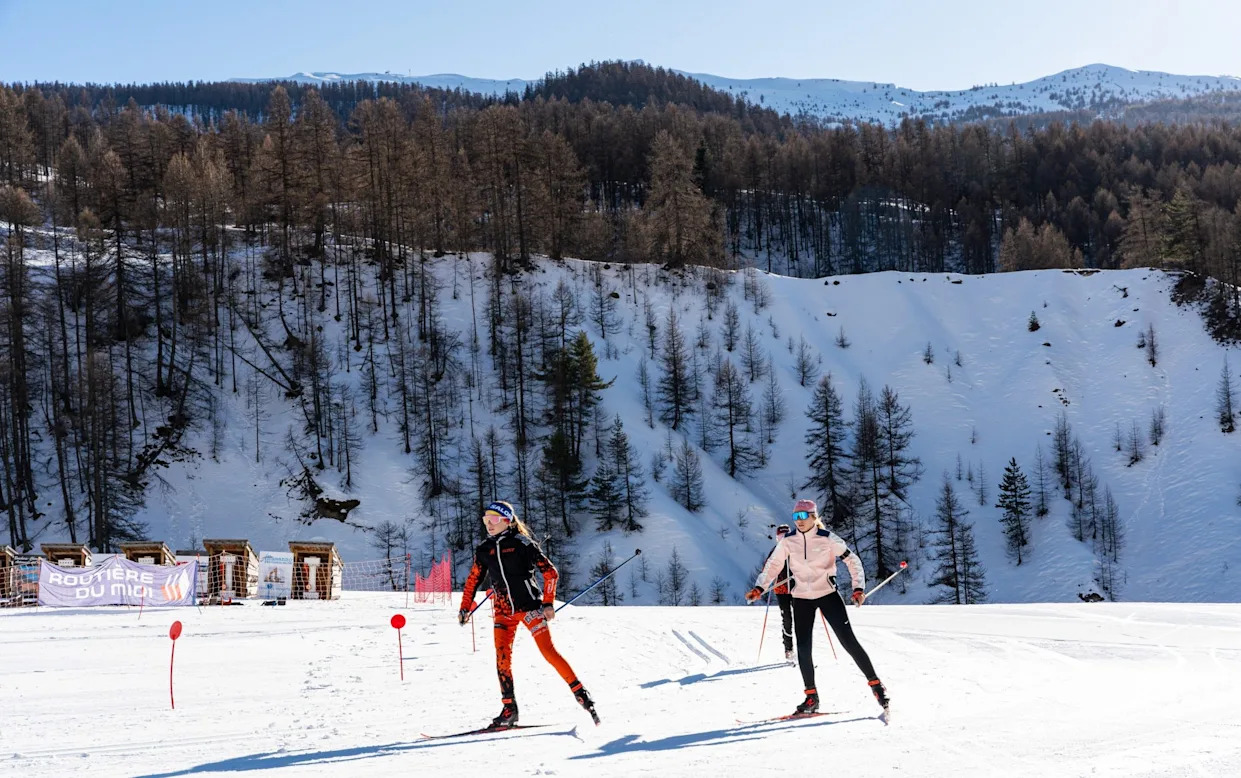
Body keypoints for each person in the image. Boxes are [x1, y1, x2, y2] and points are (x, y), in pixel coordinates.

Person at [458, 500, 598, 728]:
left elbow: (550, 573)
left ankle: (581, 693)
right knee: (502, 659)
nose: (489, 524)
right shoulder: (485, 549)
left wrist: (548, 603)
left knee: (548, 652)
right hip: (503, 612)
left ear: (507, 520)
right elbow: (473, 578)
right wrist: (465, 607)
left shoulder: (522, 543)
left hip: (530, 608)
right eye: (485, 520)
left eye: (494, 519)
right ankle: (509, 709)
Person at [746, 499, 890, 716]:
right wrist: (759, 587)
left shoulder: (827, 538)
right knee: (803, 648)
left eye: (804, 516)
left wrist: (858, 588)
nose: (799, 521)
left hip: (828, 595)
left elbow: (852, 560)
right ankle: (811, 696)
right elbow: (773, 566)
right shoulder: (788, 541)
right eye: (796, 517)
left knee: (848, 641)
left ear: (814, 517)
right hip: (801, 598)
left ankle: (877, 686)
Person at [759, 524, 796, 664]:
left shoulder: (795, 550)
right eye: (780, 537)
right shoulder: (775, 552)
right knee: (787, 619)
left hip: (796, 589)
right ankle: (789, 649)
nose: (783, 539)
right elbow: (767, 569)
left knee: (801, 619)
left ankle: (803, 650)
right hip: (781, 590)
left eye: (785, 536)